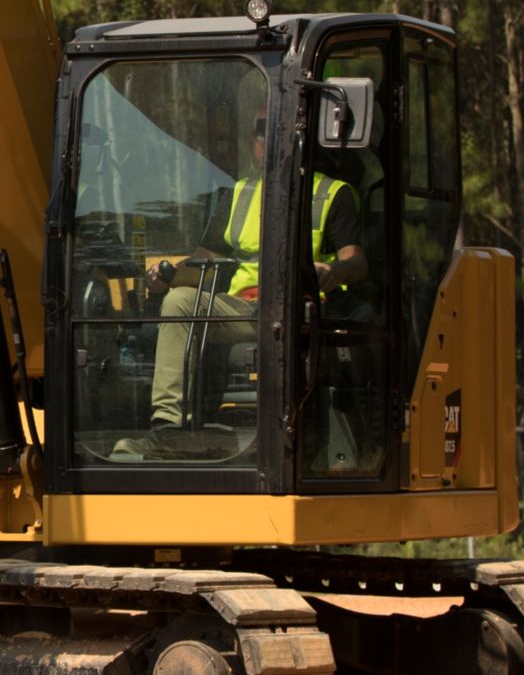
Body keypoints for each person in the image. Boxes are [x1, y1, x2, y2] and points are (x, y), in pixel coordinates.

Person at [144, 115, 367, 450]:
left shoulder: (333, 194)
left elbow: (357, 262)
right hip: (243, 308)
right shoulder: (239, 193)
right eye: (259, 133)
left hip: (297, 307)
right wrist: (169, 276)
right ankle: (169, 424)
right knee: (178, 301)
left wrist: (335, 272)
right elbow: (201, 262)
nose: (265, 141)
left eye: (275, 131)